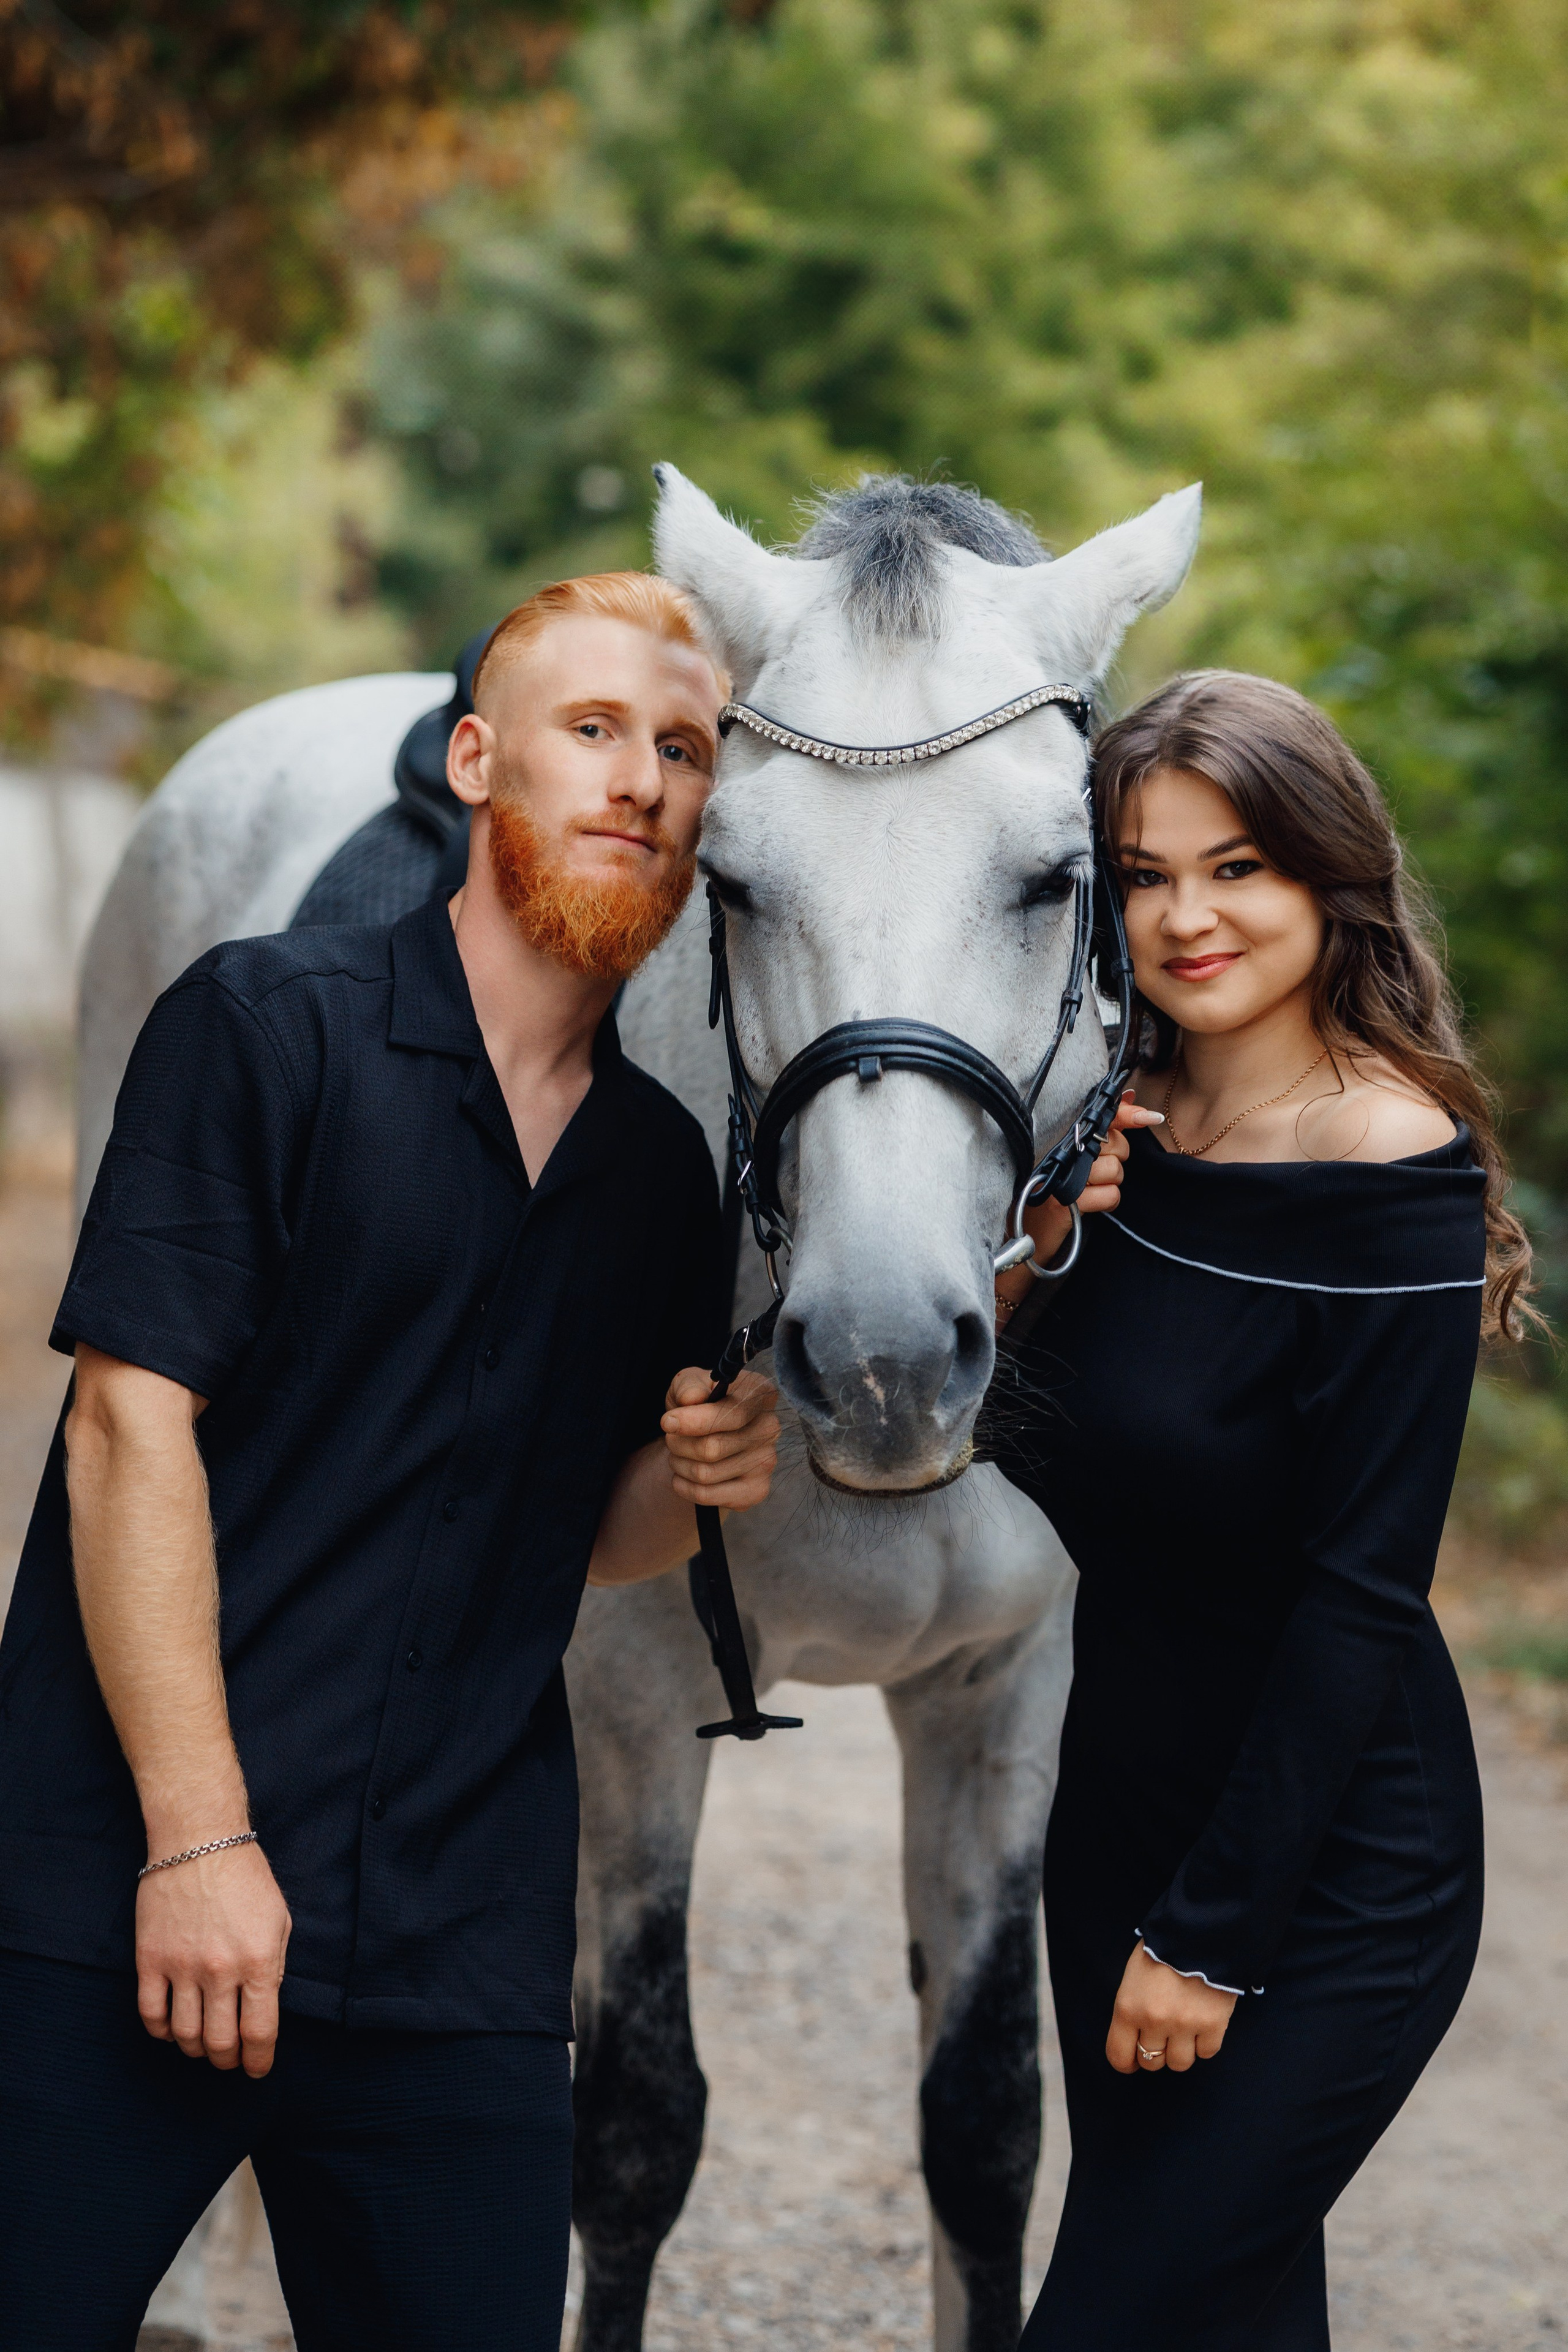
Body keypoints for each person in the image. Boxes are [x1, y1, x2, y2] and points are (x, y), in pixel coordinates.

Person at [0, 571, 780, 2352]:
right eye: (593, 731)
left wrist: (707, 1474)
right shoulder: (263, 1029)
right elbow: (130, 1430)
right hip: (125, 1892)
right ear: (474, 760)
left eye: (682, 748)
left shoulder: (665, 1174)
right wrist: (200, 1844)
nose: (643, 779)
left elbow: (583, 1538)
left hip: (458, 1957)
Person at [987, 668, 1529, 2350]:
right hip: (1123, 1819)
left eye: (1237, 866)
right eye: (1143, 875)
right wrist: (1041, 1256)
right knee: (1226, 2314)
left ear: (1325, 874)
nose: (1186, 915)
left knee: (1112, 2313)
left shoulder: (1390, 1158)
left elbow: (1364, 1588)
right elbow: (999, 1440)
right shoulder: (1109, 1126)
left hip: (1335, 1860)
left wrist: (1215, 1939)